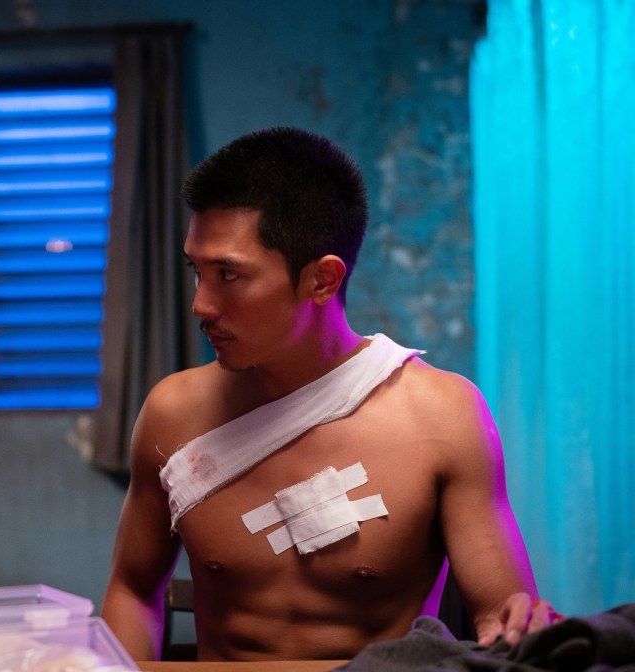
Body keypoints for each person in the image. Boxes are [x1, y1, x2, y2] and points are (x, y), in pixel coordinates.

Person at [100, 127, 559, 662]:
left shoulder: (443, 417)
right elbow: (133, 590)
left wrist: (520, 622)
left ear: (322, 280)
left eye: (227, 274)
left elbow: (500, 615)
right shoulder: (173, 413)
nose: (201, 304)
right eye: (196, 271)